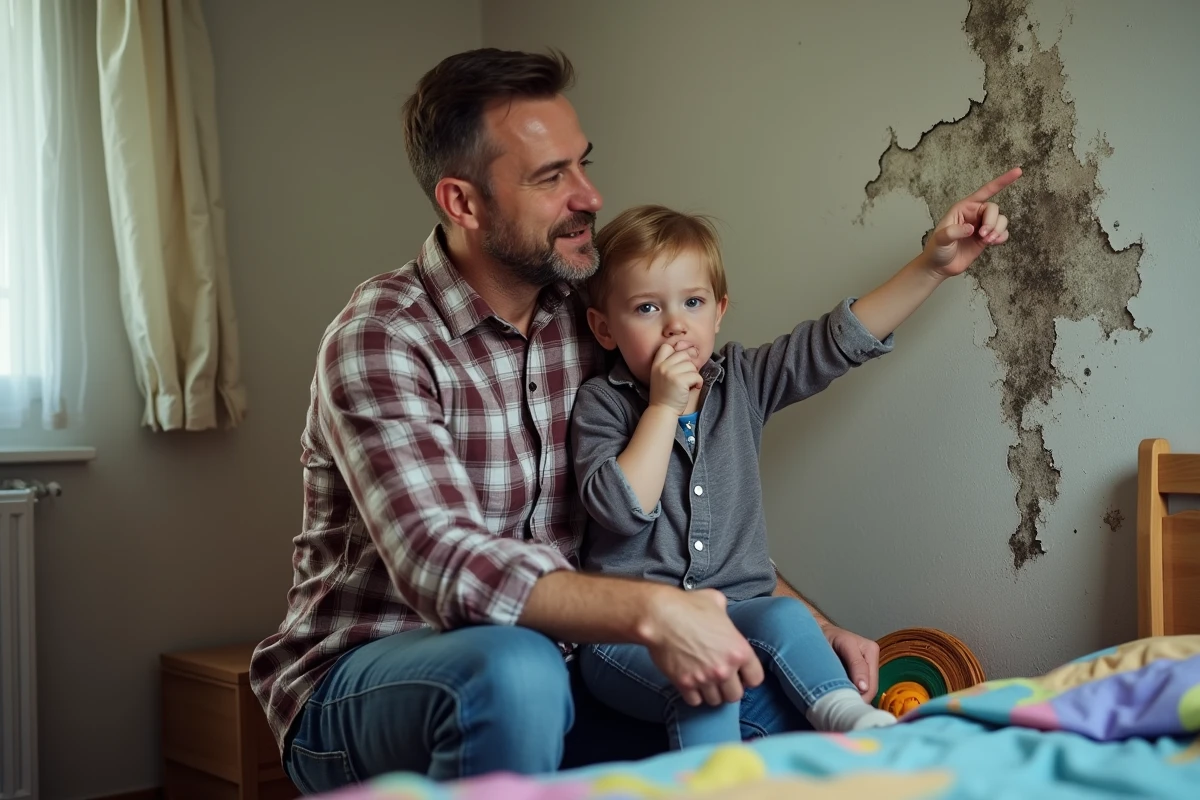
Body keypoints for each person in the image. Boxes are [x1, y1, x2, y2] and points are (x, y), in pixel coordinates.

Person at [248, 46, 1018, 793]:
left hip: (577, 660)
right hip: (373, 675)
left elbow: (690, 527)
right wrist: (654, 612)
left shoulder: (595, 320)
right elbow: (441, 563)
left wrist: (810, 626)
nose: (589, 196)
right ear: (463, 203)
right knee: (515, 671)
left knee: (772, 703)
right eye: (553, 176)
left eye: (583, 163)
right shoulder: (383, 337)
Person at [571, 197, 1008, 748]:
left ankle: (851, 722)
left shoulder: (743, 382)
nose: (676, 325)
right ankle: (715, 783)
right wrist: (663, 406)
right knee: (705, 679)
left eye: (693, 302)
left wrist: (931, 267)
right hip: (629, 634)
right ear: (604, 328)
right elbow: (621, 508)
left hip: (738, 616)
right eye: (647, 308)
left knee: (789, 619)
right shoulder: (602, 404)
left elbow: (835, 342)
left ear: (719, 312)